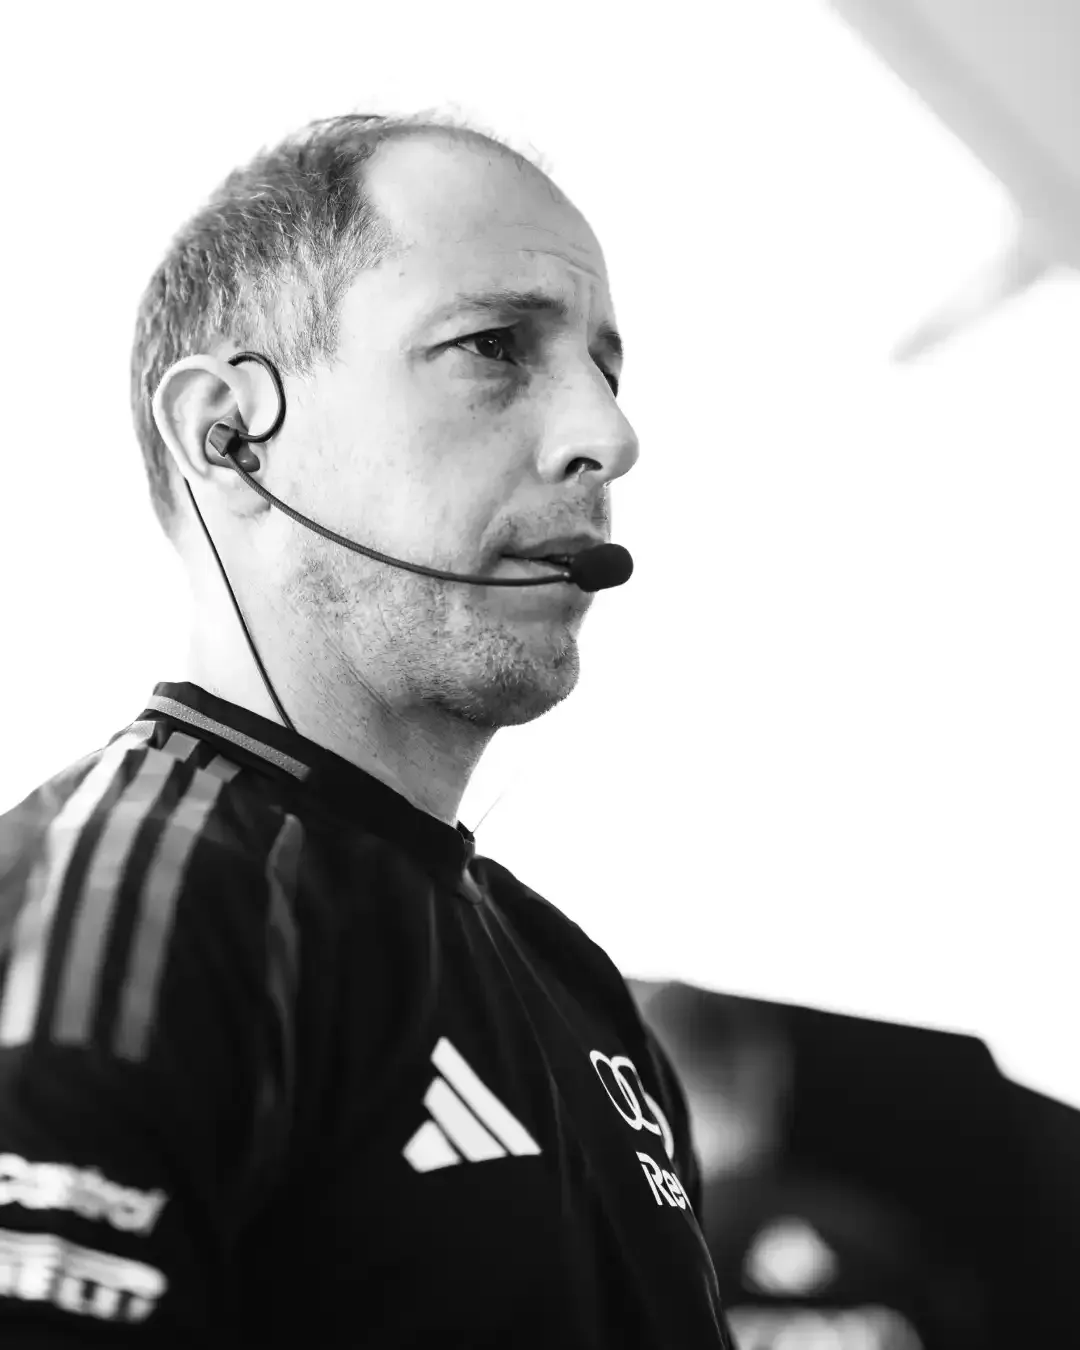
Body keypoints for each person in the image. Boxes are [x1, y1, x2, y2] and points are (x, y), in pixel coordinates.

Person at [0, 112, 733, 1346]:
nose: (609, 435)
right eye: (494, 346)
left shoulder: (575, 982)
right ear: (225, 436)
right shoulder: (119, 908)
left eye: (606, 369)